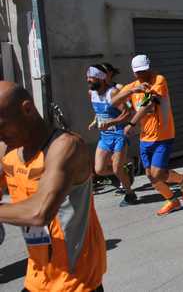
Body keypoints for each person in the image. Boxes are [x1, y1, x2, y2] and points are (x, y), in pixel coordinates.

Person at [0, 82, 107, 291]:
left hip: (76, 281)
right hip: (37, 276)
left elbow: (40, 212)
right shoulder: (8, 150)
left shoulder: (66, 147)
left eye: (1, 125)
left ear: (27, 109)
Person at [112, 55, 183, 216]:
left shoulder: (159, 80)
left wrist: (131, 123)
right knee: (151, 175)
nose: (140, 75)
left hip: (163, 134)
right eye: (137, 72)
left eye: (143, 71)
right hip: (145, 137)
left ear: (149, 67)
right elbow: (114, 102)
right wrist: (131, 90)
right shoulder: (135, 86)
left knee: (157, 174)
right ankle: (172, 200)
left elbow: (149, 105)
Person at [86, 65, 137, 207]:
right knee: (99, 170)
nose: (88, 80)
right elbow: (99, 110)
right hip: (105, 136)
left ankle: (130, 194)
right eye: (88, 78)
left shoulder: (113, 93)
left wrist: (111, 123)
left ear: (101, 78)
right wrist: (95, 120)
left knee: (116, 169)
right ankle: (125, 172)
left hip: (119, 135)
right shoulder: (92, 93)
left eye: (92, 78)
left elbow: (127, 113)